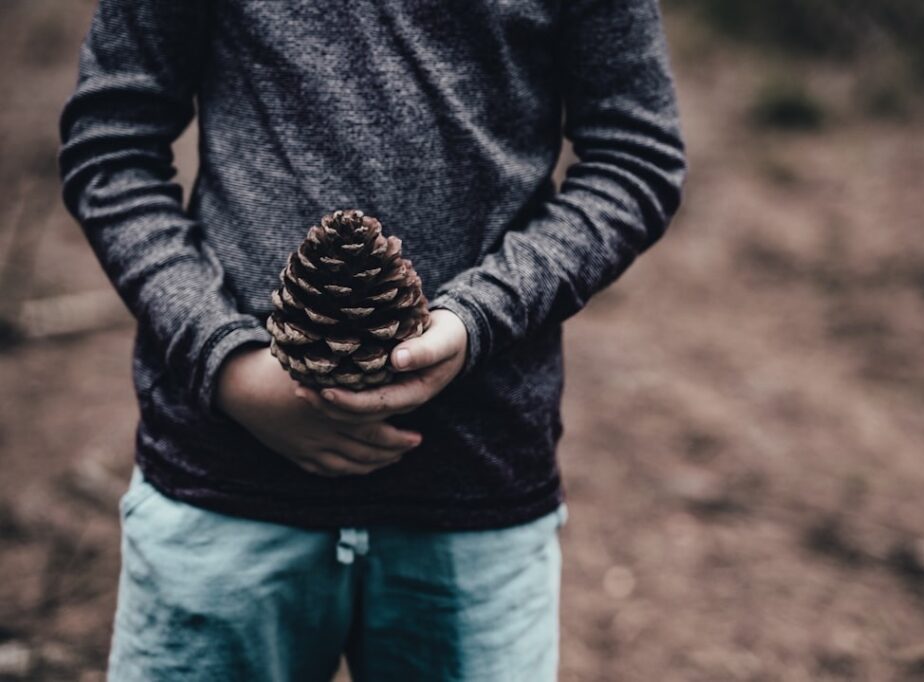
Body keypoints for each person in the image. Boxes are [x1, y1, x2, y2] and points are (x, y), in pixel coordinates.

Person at [58, 1, 687, 679]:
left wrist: (479, 316)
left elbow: (635, 157)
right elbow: (112, 146)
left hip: (477, 482)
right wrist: (228, 363)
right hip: (222, 483)